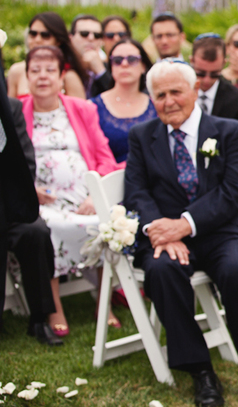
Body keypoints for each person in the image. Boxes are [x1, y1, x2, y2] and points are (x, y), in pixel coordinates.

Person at [124, 59, 238, 407]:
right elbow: (136, 191)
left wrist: (184, 224)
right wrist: (159, 231)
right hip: (167, 237)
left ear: (195, 89)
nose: (168, 101)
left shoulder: (230, 131)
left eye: (175, 92)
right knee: (162, 271)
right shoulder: (142, 136)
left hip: (222, 230)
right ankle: (201, 372)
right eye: (159, 95)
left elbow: (233, 192)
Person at [21, 46, 124, 336]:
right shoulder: (18, 110)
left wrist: (95, 195)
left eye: (49, 70)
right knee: (47, 229)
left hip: (84, 198)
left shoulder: (82, 109)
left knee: (107, 223)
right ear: (27, 77)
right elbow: (11, 163)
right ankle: (55, 307)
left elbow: (104, 157)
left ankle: (104, 304)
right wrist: (29, 190)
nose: (42, 77)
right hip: (43, 201)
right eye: (35, 71)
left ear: (61, 76)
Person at [1, 44, 56, 345]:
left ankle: (40, 317)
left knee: (35, 232)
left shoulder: (10, 108)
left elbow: (26, 161)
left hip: (10, 206)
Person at [92, 39, 157, 163]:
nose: (124, 64)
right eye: (117, 60)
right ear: (111, 66)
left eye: (132, 59)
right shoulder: (92, 107)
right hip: (106, 177)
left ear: (143, 66)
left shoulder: (157, 105)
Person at [6, 12, 87, 99]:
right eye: (33, 33)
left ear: (58, 41)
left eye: (45, 35)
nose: (37, 40)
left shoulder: (69, 76)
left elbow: (80, 110)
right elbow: (10, 110)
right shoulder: (17, 71)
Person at [190, 33, 238, 129]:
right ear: (191, 61)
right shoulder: (178, 94)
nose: (207, 80)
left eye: (214, 74)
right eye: (200, 73)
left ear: (224, 64)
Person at [88, 15, 133, 98]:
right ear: (101, 39)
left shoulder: (136, 63)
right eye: (110, 35)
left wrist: (101, 72)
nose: (116, 39)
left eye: (121, 34)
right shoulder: (94, 66)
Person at [69, 14, 108, 98]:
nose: (91, 38)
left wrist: (101, 72)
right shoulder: (61, 66)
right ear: (70, 37)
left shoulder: (110, 68)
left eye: (97, 35)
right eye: (84, 34)